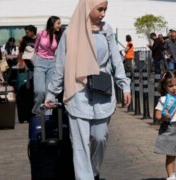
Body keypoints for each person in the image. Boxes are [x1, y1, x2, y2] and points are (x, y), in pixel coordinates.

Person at [44, 0, 131, 179]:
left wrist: (124, 85)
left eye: (105, 9)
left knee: (100, 137)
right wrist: (52, 93)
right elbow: (60, 66)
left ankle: (93, 172)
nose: (103, 14)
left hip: (102, 92)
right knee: (80, 144)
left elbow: (116, 60)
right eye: (100, 9)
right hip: (78, 93)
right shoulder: (70, 33)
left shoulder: (106, 30)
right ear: (88, 7)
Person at [32, 16, 63, 115]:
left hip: (52, 63)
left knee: (49, 92)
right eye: (58, 23)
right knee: (39, 90)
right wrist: (38, 58)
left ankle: (47, 116)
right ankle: (37, 110)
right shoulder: (41, 33)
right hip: (40, 62)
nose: (60, 25)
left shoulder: (59, 35)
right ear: (52, 23)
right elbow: (36, 47)